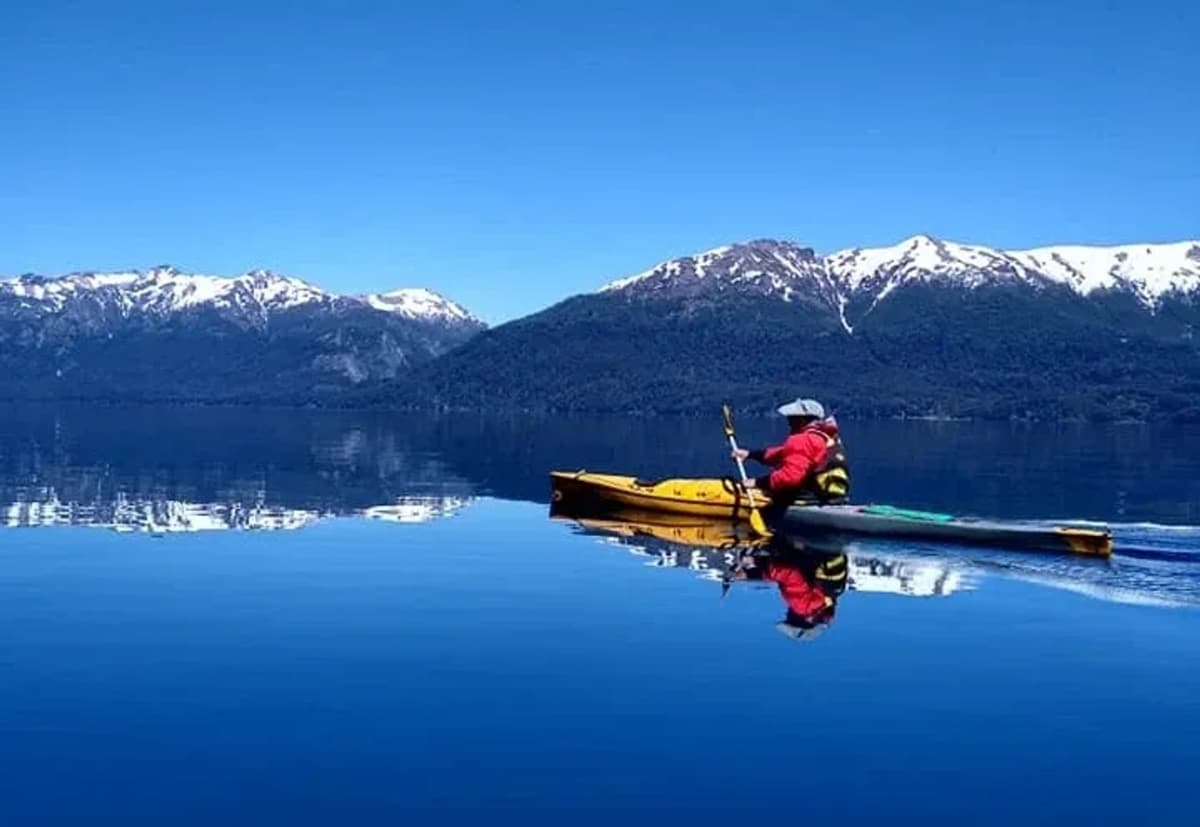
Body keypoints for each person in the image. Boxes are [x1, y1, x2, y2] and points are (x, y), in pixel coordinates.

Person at [731, 398, 850, 513]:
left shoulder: (802, 440)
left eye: (792, 418)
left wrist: (756, 482)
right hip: (833, 495)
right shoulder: (824, 438)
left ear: (802, 420)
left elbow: (789, 478)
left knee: (775, 494)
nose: (789, 422)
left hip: (811, 497)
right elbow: (784, 453)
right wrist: (750, 454)